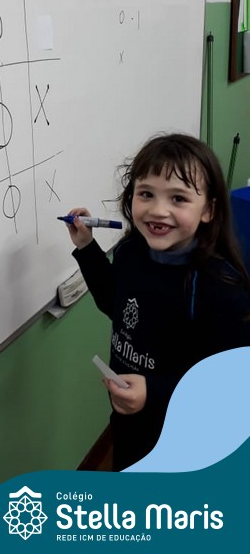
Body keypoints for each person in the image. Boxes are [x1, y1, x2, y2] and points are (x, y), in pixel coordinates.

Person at [65, 133, 250, 471]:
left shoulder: (220, 288)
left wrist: (154, 392)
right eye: (146, 194)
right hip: (129, 425)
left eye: (178, 198)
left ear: (209, 210)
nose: (158, 210)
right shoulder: (130, 252)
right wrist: (87, 248)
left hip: (185, 441)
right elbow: (115, 303)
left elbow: (230, 387)